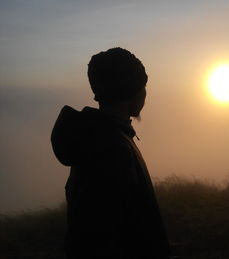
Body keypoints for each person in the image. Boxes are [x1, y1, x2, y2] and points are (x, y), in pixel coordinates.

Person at [51, 47, 171, 258]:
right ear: (131, 91)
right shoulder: (113, 150)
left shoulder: (97, 138)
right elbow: (103, 241)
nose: (145, 93)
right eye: (143, 86)